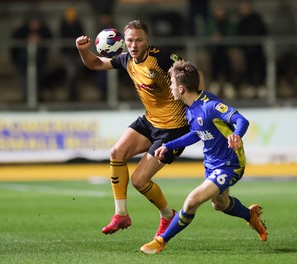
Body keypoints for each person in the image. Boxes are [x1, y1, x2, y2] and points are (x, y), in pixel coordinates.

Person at [75, 20, 204, 238]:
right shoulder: (127, 60)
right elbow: (95, 64)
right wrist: (82, 50)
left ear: (148, 41)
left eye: (139, 40)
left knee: (139, 181)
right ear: (124, 42)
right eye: (130, 40)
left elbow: (195, 74)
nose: (134, 45)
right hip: (150, 121)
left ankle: (167, 215)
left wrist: (200, 107)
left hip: (173, 129)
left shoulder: (162, 59)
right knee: (116, 153)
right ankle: (121, 214)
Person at [139, 60, 267, 255]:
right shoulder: (190, 108)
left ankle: (160, 241)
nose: (170, 87)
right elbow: (196, 134)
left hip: (230, 163)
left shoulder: (210, 105)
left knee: (192, 201)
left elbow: (241, 120)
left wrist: (236, 135)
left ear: (181, 88)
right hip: (212, 163)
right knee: (220, 204)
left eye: (172, 83)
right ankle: (251, 215)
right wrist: (169, 146)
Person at [10, 14, 53, 102]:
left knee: (38, 79)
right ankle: (26, 98)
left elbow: (50, 37)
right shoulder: (21, 31)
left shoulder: (43, 30)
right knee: (24, 80)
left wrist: (40, 39)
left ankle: (37, 97)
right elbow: (14, 45)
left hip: (39, 61)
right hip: (22, 61)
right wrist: (27, 39)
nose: (35, 24)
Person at [236, 0, 267, 99]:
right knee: (249, 67)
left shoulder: (257, 19)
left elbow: (263, 31)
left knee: (260, 67)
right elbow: (240, 34)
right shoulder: (241, 21)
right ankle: (251, 86)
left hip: (257, 48)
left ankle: (261, 86)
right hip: (247, 50)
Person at [204, 1, 235, 99]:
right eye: (218, 10)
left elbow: (232, 35)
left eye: (222, 10)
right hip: (214, 51)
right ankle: (215, 85)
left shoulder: (228, 23)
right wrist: (213, 39)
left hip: (226, 51)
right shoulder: (211, 23)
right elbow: (206, 36)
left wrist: (224, 38)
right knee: (215, 62)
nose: (220, 13)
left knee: (226, 63)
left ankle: (227, 86)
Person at [59, 6, 85, 101]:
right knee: (71, 72)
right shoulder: (63, 26)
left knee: (78, 73)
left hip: (78, 53)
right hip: (67, 54)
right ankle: (70, 93)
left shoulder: (79, 25)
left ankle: (76, 92)